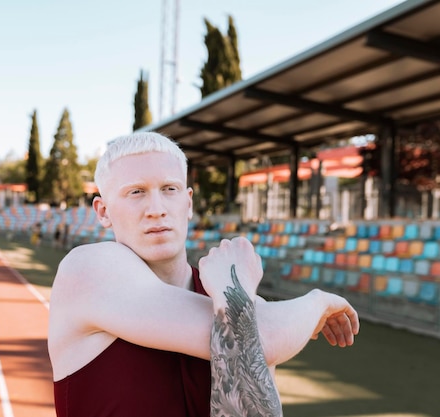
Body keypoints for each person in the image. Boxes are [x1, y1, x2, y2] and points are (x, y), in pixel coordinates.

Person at [48, 132, 359, 416]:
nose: (156, 208)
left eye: (169, 189)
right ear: (103, 212)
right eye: (136, 192)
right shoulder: (87, 268)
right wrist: (318, 301)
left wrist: (233, 295)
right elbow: (268, 338)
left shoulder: (238, 301)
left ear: (189, 202)